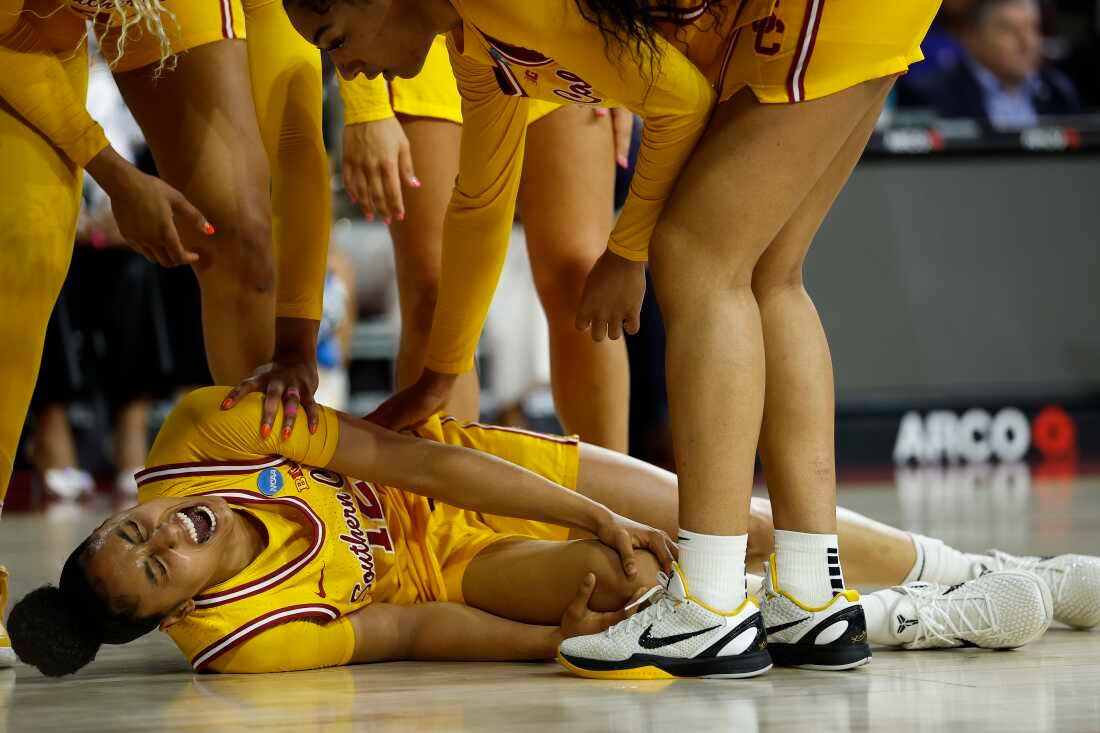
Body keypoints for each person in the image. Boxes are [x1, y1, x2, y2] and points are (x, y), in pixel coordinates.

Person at [283, 0, 940, 678]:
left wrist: (628, 252)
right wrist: (442, 374)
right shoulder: (475, 45)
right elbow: (479, 203)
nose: (345, 69)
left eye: (336, 40)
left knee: (695, 256)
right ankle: (808, 594)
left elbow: (680, 98)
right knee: (769, 271)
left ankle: (709, 602)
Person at [8, 387, 1081, 677]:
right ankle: (910, 616)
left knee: (734, 520)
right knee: (637, 585)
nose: (165, 531)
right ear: (180, 609)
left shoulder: (200, 432)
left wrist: (589, 506)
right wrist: (549, 641)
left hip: (473, 467)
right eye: (159, 565)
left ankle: (983, 568)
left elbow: (415, 462)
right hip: (460, 570)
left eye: (133, 528)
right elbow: (406, 630)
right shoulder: (237, 641)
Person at [0, 0, 330, 668]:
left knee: (240, 235)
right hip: (21, 34)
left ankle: (263, 508)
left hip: (136, 11)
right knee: (23, 254)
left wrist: (298, 338)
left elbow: (300, 132)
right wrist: (114, 172)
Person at [334, 45, 634, 450]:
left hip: (550, 35)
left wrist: (617, 51)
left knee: (583, 279)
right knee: (437, 294)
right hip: (427, 40)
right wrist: (365, 106)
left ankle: (614, 484)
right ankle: (445, 488)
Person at [897, 0, 1083, 128]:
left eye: (1033, 28)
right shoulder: (931, 96)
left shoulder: (1059, 91)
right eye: (1009, 30)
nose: (1027, 43)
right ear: (972, 36)